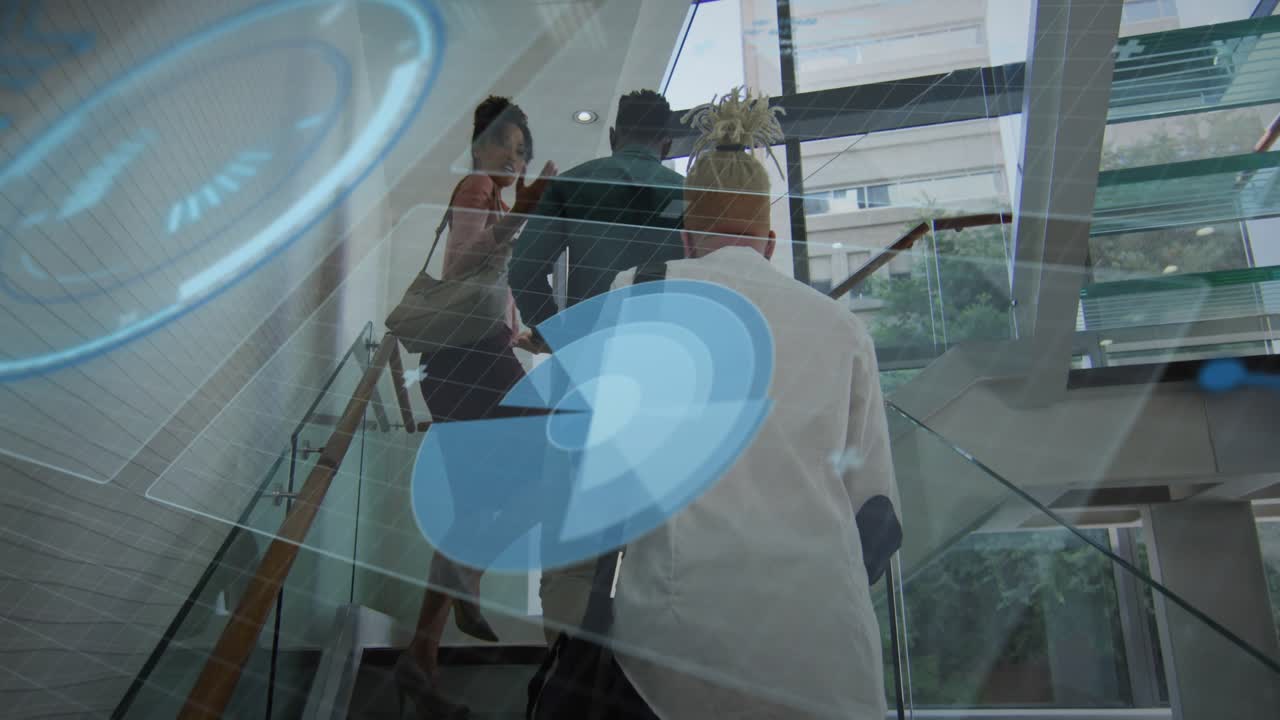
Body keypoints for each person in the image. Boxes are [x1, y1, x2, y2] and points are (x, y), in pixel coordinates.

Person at [606, 87, 903, 719]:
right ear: (769, 243)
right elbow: (877, 516)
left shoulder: (637, 298)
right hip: (826, 656)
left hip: (678, 645)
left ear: (687, 239)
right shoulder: (842, 329)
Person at [396, 95, 556, 719]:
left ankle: (421, 655)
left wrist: (522, 335)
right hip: (468, 359)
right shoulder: (476, 187)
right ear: (478, 147)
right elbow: (465, 262)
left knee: (468, 506)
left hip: (463, 361)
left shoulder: (492, 197)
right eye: (505, 146)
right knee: (550, 450)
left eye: (522, 151)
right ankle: (472, 570)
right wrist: (525, 215)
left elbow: (482, 286)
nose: (514, 159)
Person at [507, 89, 687, 644]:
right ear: (667, 144)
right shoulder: (692, 196)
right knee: (661, 541)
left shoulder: (574, 183)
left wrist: (560, 338)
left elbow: (522, 270)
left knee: (570, 545)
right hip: (664, 388)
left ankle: (567, 672)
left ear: (613, 138)